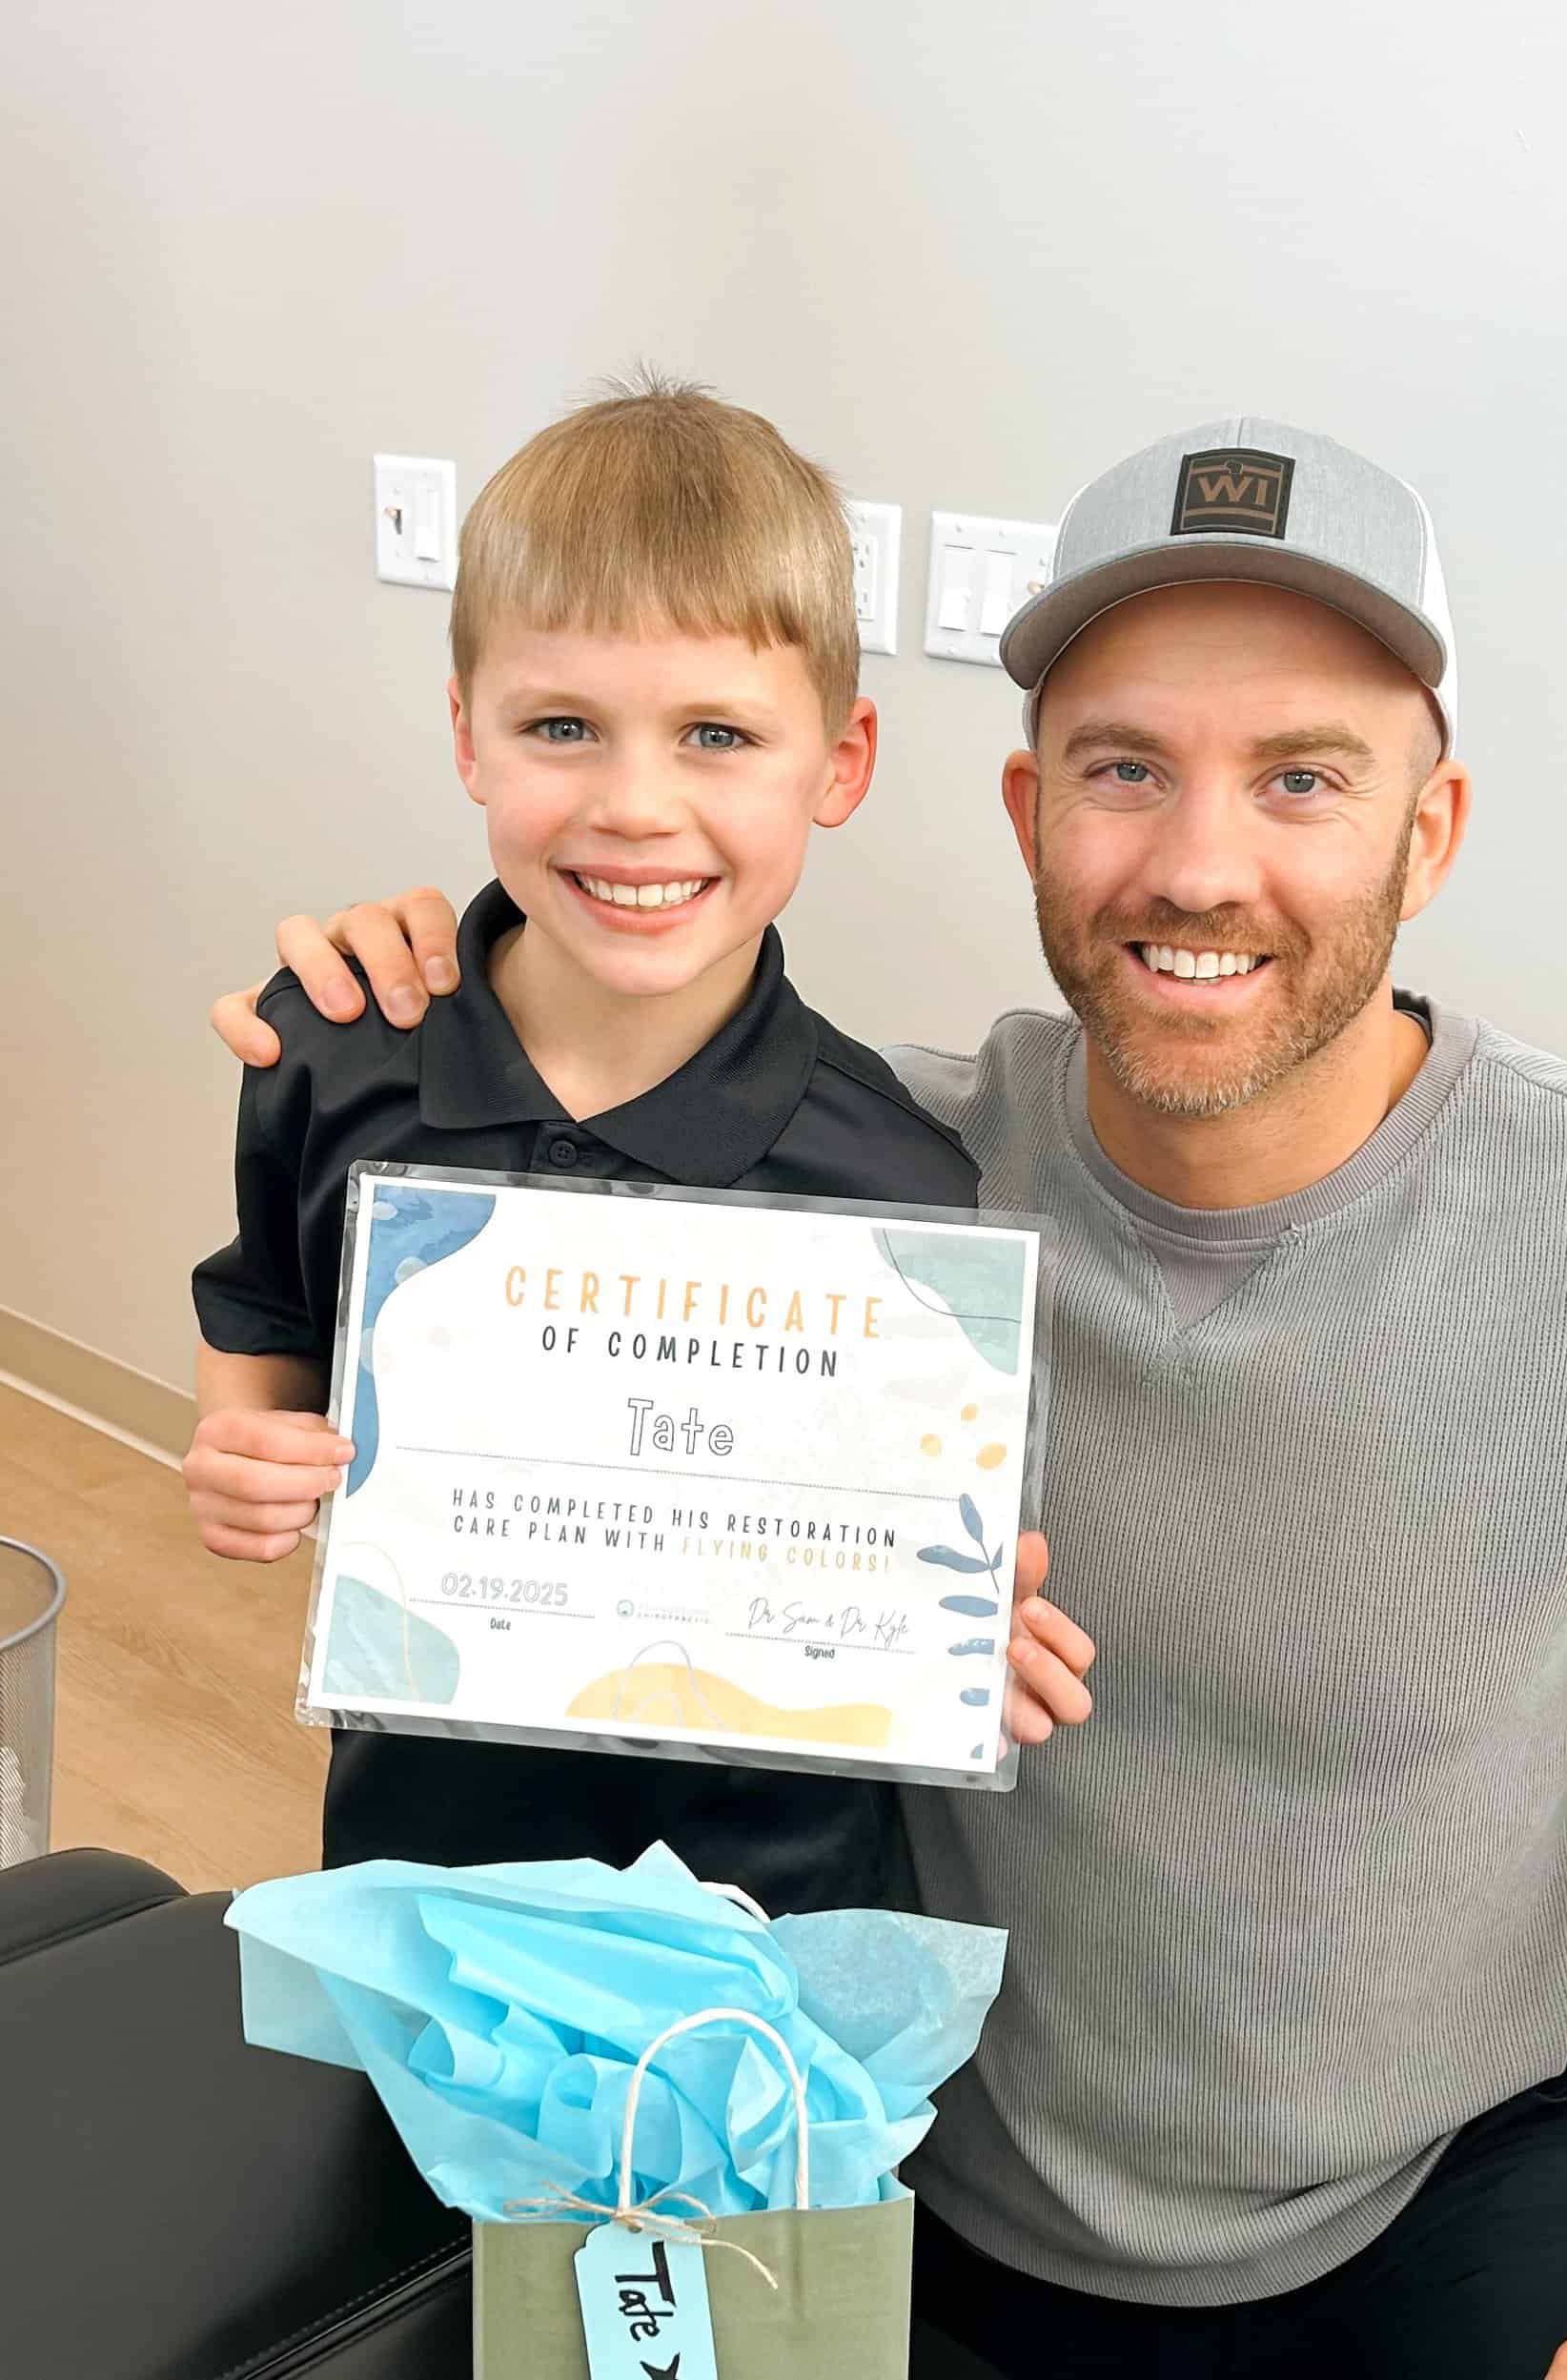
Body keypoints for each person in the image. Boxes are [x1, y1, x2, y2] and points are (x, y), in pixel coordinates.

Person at [209, 415, 1567, 2380]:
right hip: (900, 2148)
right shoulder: (864, 1202)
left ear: (1430, 830)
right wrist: (423, 980)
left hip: (1451, 2183)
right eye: (1124, 768)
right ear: (1026, 810)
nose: (1198, 864)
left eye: (1302, 777)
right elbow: (551, 1224)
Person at [187, 376, 1094, 1912]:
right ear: (468, 735)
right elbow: (266, 1308)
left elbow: (898, 1549)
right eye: (563, 726)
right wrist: (239, 1457)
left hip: (771, 1919)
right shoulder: (331, 1053)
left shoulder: (899, 1186)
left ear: (842, 761)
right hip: (425, 1882)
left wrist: (942, 1638)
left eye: (717, 734)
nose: (634, 806)